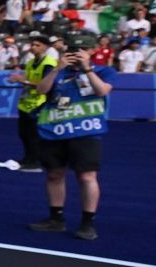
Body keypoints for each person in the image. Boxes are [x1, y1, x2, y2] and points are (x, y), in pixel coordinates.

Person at [27, 41, 111, 241]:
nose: (75, 55)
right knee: (54, 174)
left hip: (86, 132)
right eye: (71, 51)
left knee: (87, 177)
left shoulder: (103, 71)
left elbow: (102, 91)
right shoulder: (58, 72)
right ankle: (56, 218)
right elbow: (41, 90)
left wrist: (87, 68)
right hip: (55, 131)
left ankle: (87, 222)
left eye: (80, 51)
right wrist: (57, 68)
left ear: (90, 52)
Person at [4, 33, 59, 171]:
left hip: (38, 103)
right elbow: (29, 80)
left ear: (45, 48)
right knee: (23, 133)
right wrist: (19, 80)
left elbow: (46, 84)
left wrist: (22, 80)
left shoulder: (49, 63)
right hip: (26, 102)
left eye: (37, 45)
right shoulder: (30, 63)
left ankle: (35, 161)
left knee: (33, 135)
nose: (33, 47)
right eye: (32, 45)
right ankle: (27, 158)